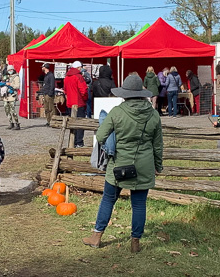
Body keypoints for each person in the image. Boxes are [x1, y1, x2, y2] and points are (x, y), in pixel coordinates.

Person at [82, 74, 163, 253]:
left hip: (119, 165)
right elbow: (157, 144)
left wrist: (112, 146)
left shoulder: (117, 112)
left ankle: (96, 237)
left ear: (125, 93)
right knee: (139, 204)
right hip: (144, 165)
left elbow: (101, 136)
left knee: (108, 199)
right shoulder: (153, 115)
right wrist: (158, 166)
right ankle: (135, 242)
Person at [65, 61, 89, 147]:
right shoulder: (78, 77)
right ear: (79, 67)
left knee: (72, 123)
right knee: (80, 123)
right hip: (79, 102)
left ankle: (73, 141)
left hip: (70, 103)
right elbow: (84, 90)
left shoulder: (67, 77)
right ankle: (79, 142)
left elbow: (65, 90)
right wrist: (85, 99)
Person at [3, 65, 21, 130]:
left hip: (12, 95)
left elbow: (17, 86)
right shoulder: (7, 77)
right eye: (8, 70)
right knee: (7, 110)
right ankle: (11, 123)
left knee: (13, 110)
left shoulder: (16, 77)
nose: (10, 71)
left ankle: (17, 123)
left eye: (11, 70)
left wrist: (10, 84)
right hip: (6, 96)